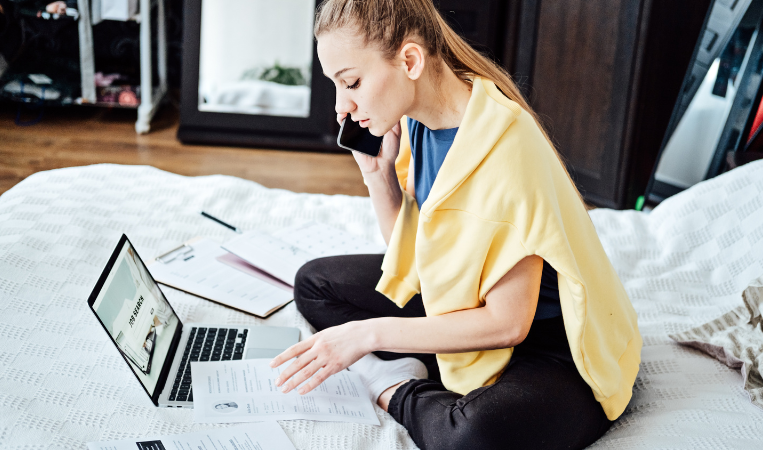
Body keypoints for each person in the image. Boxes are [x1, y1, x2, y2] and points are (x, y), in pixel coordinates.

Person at [270, 0, 642, 448]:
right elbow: (415, 261)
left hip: (550, 344)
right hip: (462, 303)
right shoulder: (419, 122)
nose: (342, 106)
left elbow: (509, 325)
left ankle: (391, 388)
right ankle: (421, 369)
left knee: (473, 435)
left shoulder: (505, 148)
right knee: (315, 284)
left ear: (410, 60)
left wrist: (367, 333)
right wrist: (378, 176)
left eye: (351, 82)